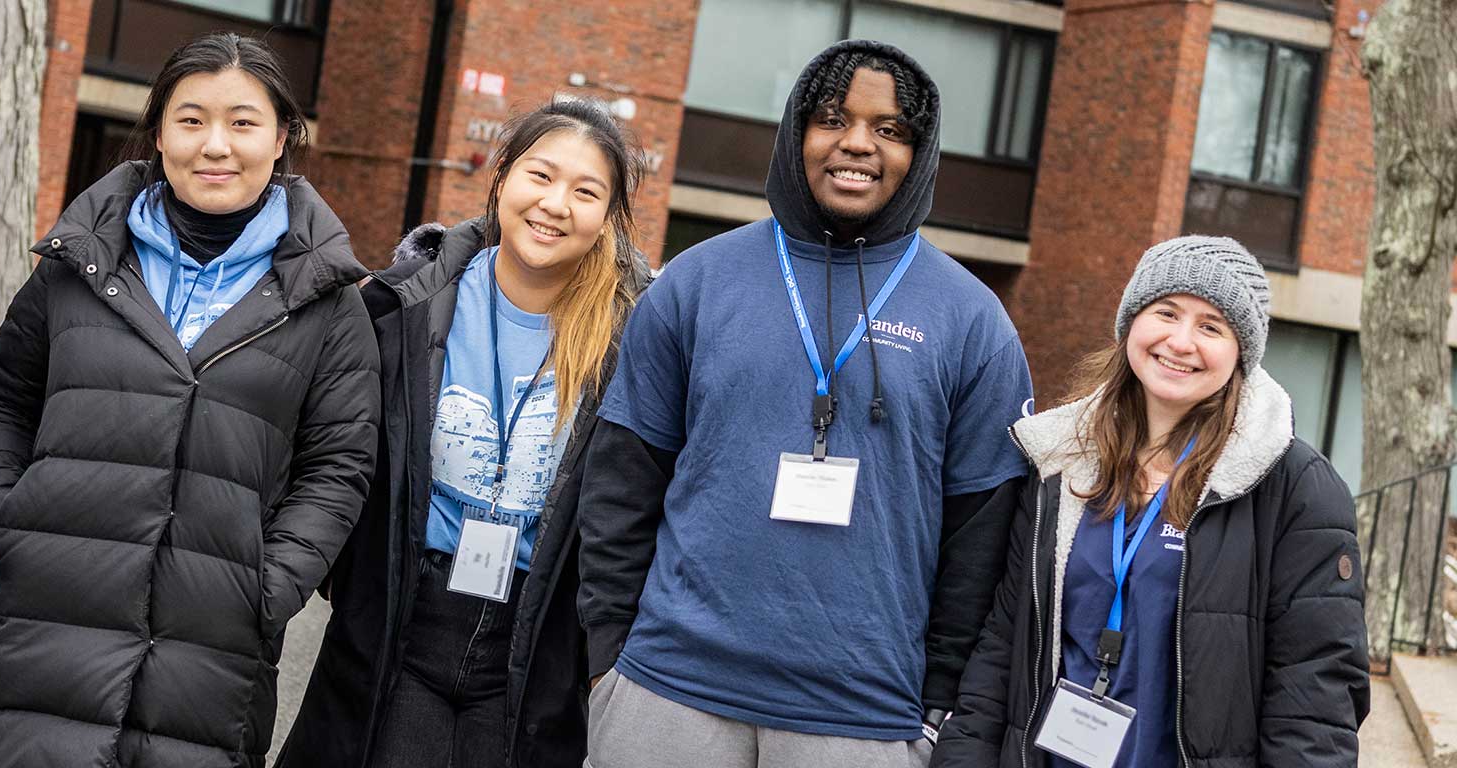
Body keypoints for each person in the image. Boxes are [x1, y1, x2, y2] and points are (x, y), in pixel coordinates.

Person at [577, 39, 1033, 768]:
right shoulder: (695, 283)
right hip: (668, 692)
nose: (857, 144)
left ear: (919, 153)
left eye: (889, 130)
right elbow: (621, 485)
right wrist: (609, 663)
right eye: (833, 119)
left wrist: (933, 711)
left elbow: (981, 538)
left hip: (864, 719)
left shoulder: (974, 320)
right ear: (796, 133)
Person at [0, 32, 379, 768]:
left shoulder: (329, 305)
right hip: (45, 623)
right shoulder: (76, 269)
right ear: (156, 135)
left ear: (282, 140)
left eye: (243, 123)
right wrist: (1, 517)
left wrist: (267, 585)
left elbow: (338, 464)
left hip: (212, 649)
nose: (216, 144)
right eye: (191, 119)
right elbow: (5, 399)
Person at [282, 99, 651, 768]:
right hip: (404, 618)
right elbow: (333, 449)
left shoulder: (634, 346)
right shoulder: (404, 306)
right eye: (540, 175)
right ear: (502, 176)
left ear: (608, 220)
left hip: (536, 642)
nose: (555, 204)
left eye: (585, 191)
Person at [932, 236, 1369, 768]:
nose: (1181, 342)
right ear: (1131, 323)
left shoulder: (1294, 488)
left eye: (1211, 326)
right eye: (1167, 312)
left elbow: (1315, 695)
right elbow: (1002, 644)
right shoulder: (1059, 464)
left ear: (1241, 354)